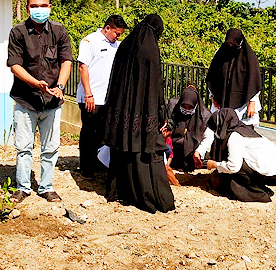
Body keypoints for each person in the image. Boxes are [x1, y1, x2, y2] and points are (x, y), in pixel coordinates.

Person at [103, 14, 175, 213]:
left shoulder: (126, 45)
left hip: (123, 111)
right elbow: (154, 86)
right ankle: (148, 195)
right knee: (143, 149)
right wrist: (161, 114)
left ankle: (118, 191)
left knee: (123, 149)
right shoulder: (150, 49)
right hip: (142, 112)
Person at [7, 0, 72, 203]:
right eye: (34, 6)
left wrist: (60, 85)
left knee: (51, 148)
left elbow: (66, 61)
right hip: (26, 99)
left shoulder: (59, 31)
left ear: (50, 7)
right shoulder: (18, 32)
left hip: (52, 101)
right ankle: (23, 187)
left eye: (43, 6)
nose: (39, 10)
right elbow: (15, 65)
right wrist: (34, 83)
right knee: (23, 147)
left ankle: (46, 187)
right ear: (27, 9)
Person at [193, 108, 276, 202]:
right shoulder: (243, 129)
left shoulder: (235, 137)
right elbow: (209, 137)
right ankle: (258, 187)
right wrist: (199, 152)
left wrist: (215, 165)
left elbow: (234, 167)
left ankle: (257, 193)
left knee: (235, 169)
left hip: (275, 175)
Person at [76, 15, 128, 178]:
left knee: (102, 133)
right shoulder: (90, 42)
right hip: (91, 97)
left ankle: (98, 163)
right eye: (116, 33)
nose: (118, 37)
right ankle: (86, 167)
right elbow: (83, 67)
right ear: (107, 28)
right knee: (89, 133)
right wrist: (88, 94)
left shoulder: (117, 46)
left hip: (108, 99)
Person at [206, 28, 262, 126]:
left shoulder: (249, 58)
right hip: (222, 100)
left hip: (243, 103)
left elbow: (254, 81)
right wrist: (214, 97)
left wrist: (252, 102)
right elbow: (212, 76)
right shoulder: (220, 54)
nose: (230, 46)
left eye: (233, 44)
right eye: (229, 44)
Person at [163, 85, 211, 172]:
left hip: (192, 149)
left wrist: (198, 152)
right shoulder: (173, 106)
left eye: (190, 107)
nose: (186, 109)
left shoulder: (204, 115)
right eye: (184, 106)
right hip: (173, 143)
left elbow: (208, 138)